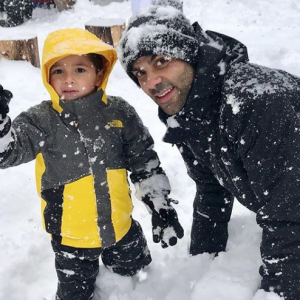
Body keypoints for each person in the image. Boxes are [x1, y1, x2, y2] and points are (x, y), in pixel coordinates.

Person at [118, 0, 300, 299]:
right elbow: (211, 189)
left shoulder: (255, 101)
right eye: (140, 73)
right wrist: (202, 262)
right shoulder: (189, 112)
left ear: (189, 54)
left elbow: (291, 214)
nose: (151, 82)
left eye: (162, 61)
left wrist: (276, 294)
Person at [0, 28, 183, 300]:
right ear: (47, 76)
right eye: (58, 70)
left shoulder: (119, 112)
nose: (69, 79)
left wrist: (159, 204)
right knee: (74, 295)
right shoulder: (42, 119)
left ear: (99, 73)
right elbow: (7, 152)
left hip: (121, 227)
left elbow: (143, 160)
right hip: (70, 238)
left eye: (80, 70)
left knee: (138, 279)